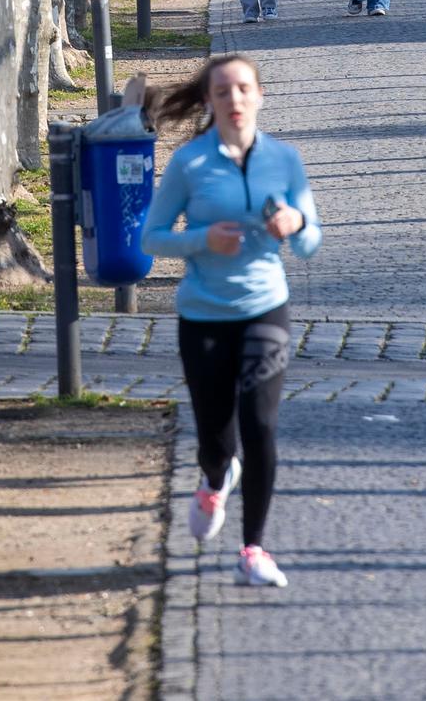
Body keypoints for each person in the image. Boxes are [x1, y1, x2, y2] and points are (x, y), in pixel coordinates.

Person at [142, 54, 322, 589]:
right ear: (209, 102)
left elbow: (311, 243)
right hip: (203, 314)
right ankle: (215, 478)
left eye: (244, 89)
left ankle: (254, 549)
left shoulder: (284, 160)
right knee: (215, 439)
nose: (235, 99)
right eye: (223, 92)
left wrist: (296, 221)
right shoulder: (189, 164)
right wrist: (202, 240)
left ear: (260, 95)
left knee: (261, 425)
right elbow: (151, 237)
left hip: (266, 306)